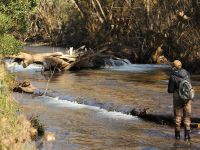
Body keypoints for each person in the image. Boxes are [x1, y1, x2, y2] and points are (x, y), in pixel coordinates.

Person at [168, 60, 192, 141]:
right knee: (187, 117)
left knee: (178, 117)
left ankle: (177, 136)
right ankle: (187, 136)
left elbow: (170, 90)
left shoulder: (172, 75)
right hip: (187, 97)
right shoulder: (187, 73)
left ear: (173, 66)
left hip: (177, 97)